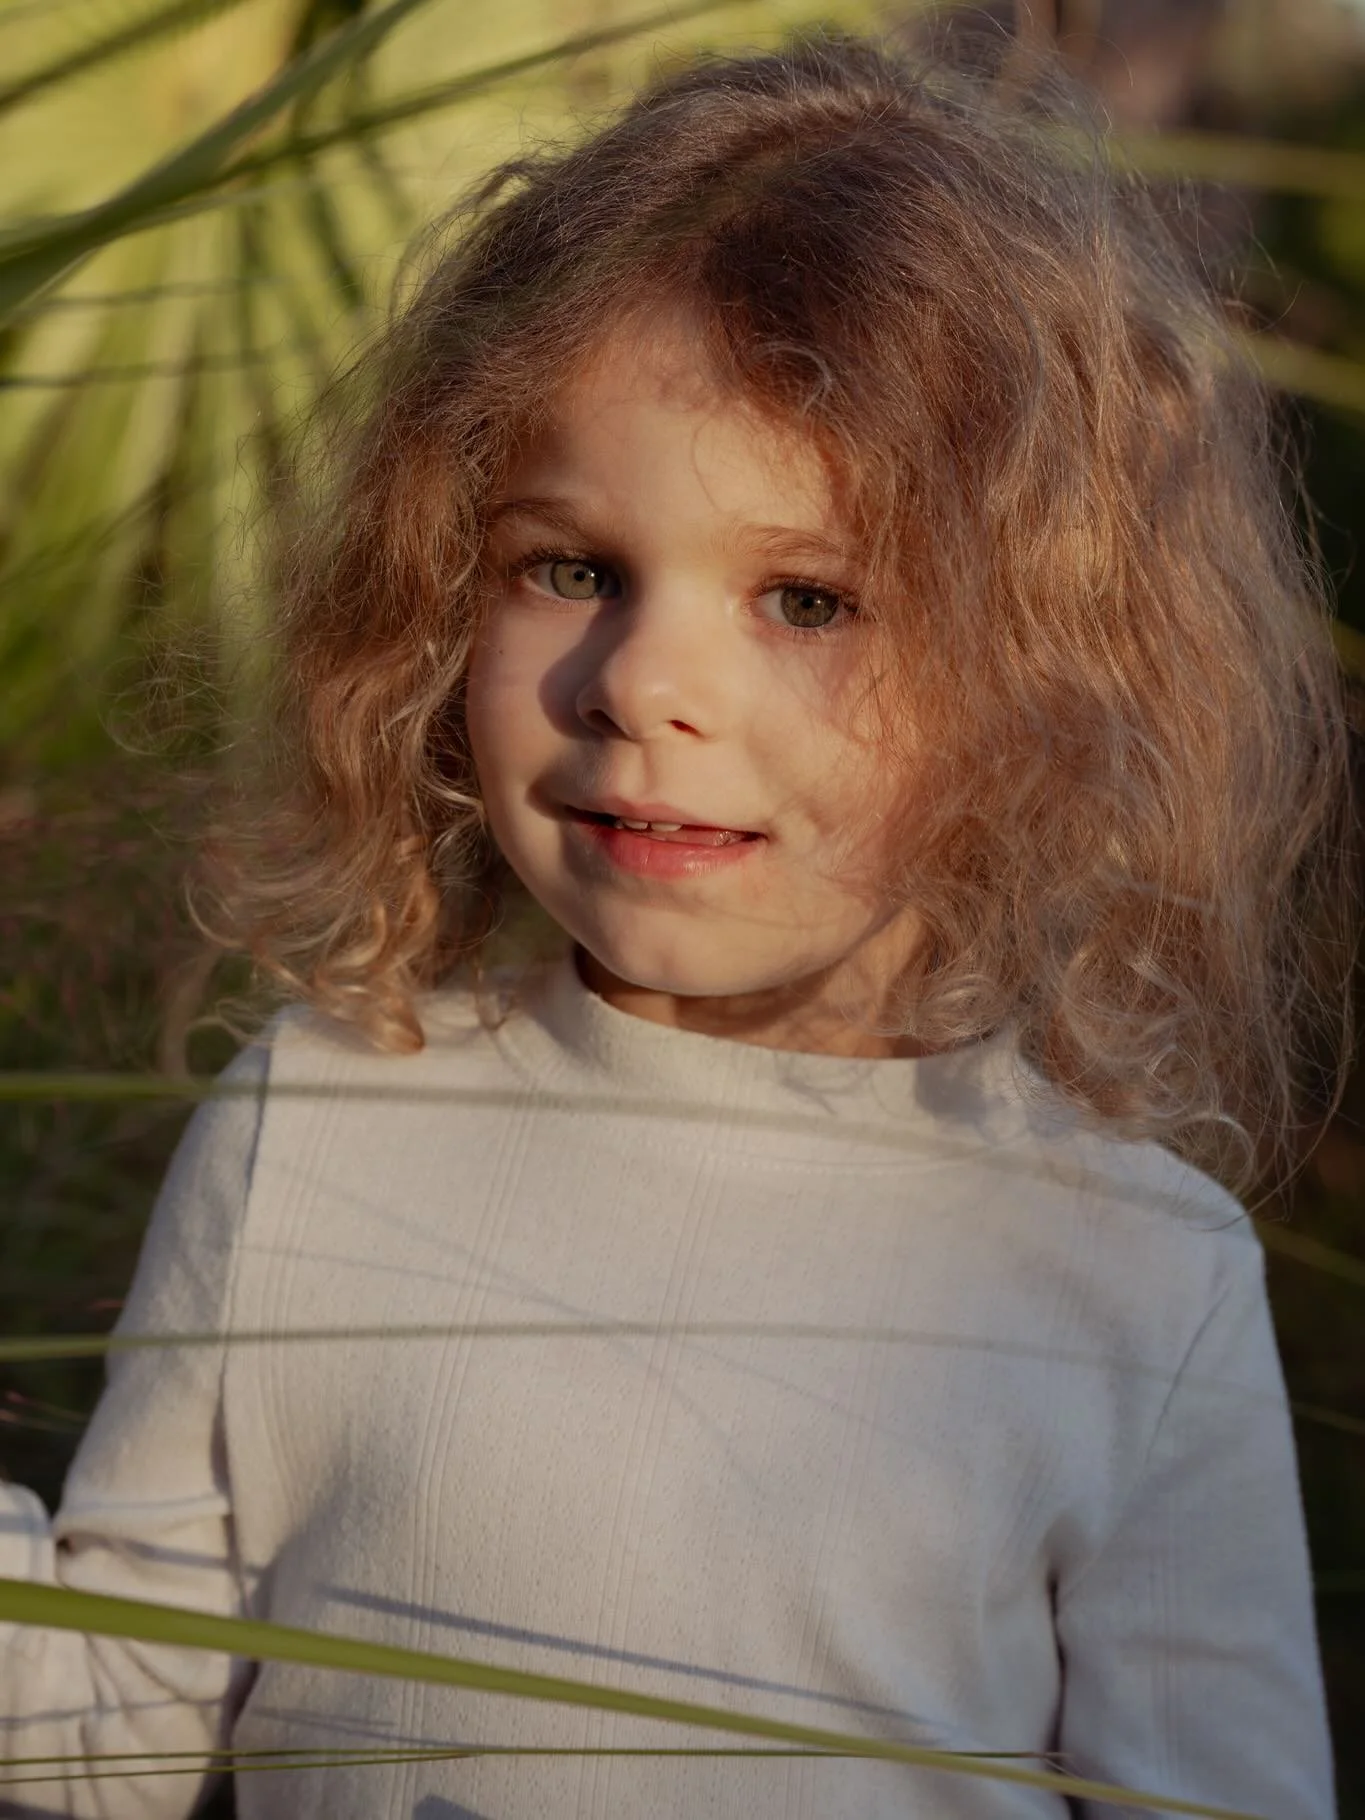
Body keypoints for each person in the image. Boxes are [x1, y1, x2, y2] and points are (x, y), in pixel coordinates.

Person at [0, 29, 1355, 1820]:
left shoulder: (1126, 1272)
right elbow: (108, 1732)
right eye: (571, 567)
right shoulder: (320, 1121)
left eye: (808, 596)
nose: (644, 682)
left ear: (1051, 688)